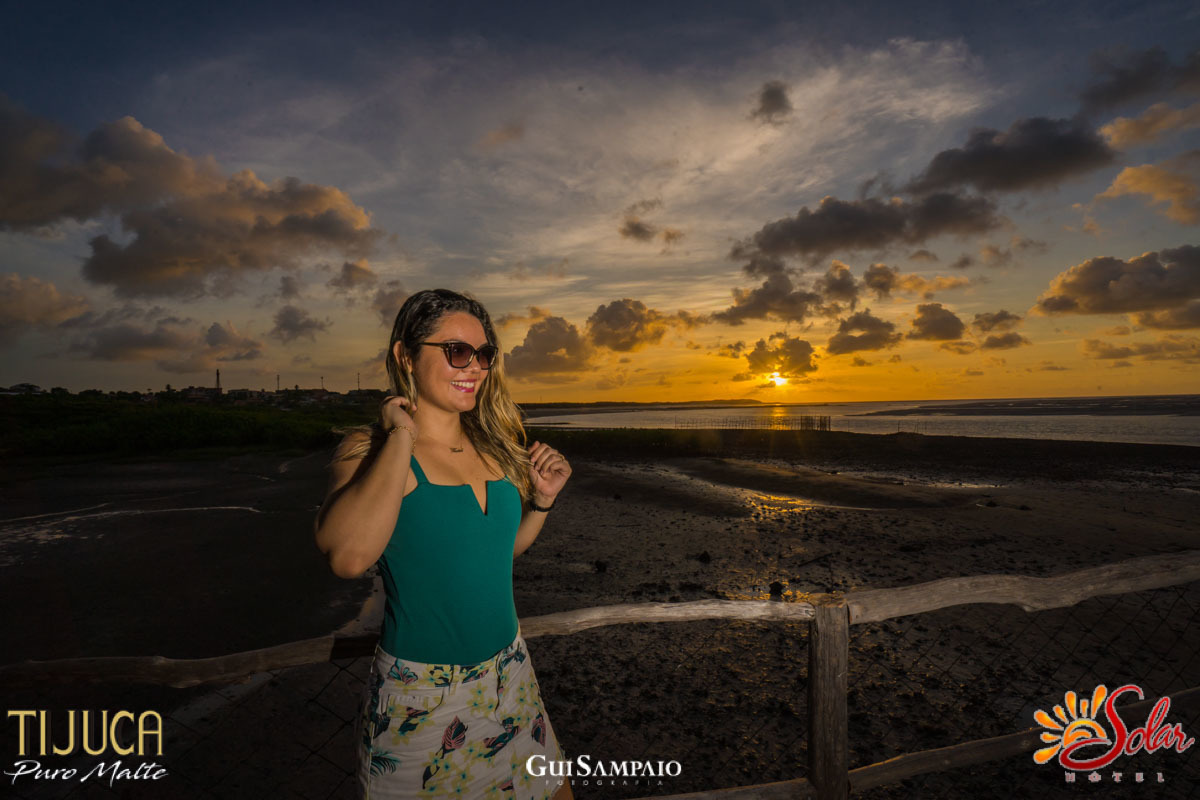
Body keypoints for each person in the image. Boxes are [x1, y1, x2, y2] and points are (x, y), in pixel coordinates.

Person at [314, 288, 574, 800]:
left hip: (512, 676)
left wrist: (541, 503)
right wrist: (401, 435)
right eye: (456, 351)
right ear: (405, 356)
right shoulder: (367, 451)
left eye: (483, 355)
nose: (473, 366)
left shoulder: (495, 445)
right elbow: (347, 558)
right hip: (423, 698)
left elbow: (497, 556)